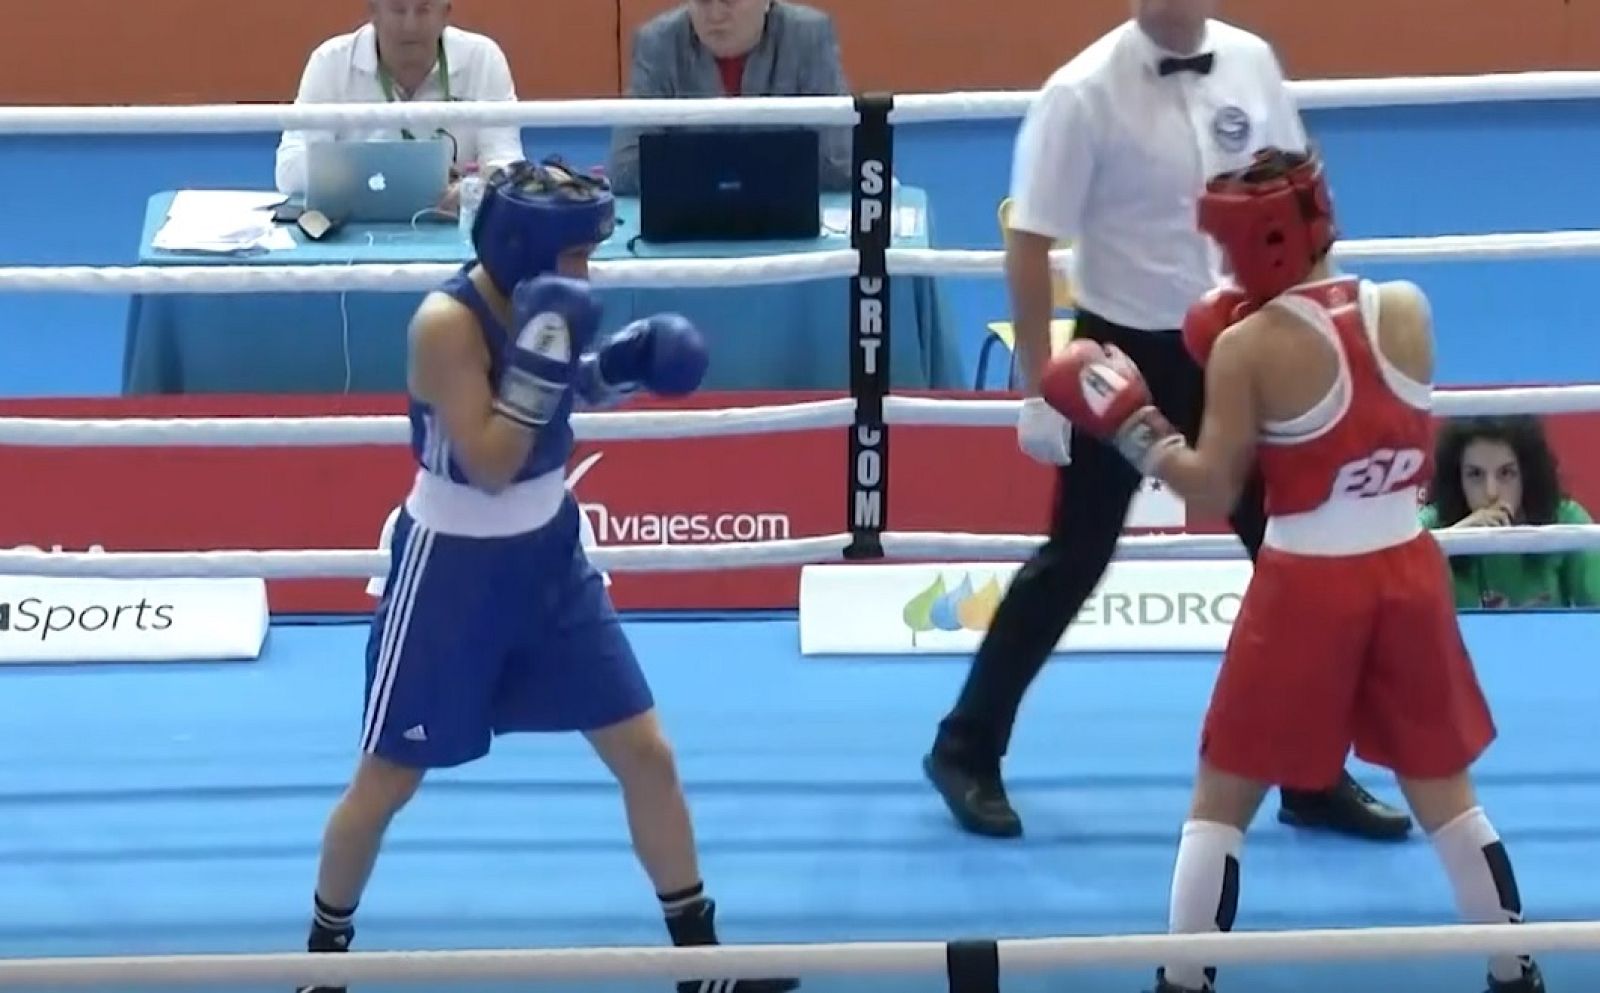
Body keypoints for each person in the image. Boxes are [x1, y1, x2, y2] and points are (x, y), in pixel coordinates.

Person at [1041, 146, 1545, 993]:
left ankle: (1183, 981)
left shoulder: (1249, 347)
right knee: (1448, 798)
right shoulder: (1409, 311)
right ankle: (1515, 969)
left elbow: (1211, 481)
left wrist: (1136, 426)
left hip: (1307, 585)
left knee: (1222, 799)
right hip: (1407, 575)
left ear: (1253, 241)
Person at [295, 158, 798, 993]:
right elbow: (492, 458)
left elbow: (567, 391)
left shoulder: (544, 306)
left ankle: (701, 968)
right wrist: (546, 364)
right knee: (385, 780)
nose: (588, 272)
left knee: (647, 753)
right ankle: (318, 969)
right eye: (576, 255)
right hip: (450, 571)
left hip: (550, 558)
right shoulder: (444, 325)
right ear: (524, 246)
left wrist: (628, 365)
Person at [923, 0, 1410, 843]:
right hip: (1125, 349)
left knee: (1294, 555)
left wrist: (1326, 329)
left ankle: (1310, 767)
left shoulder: (1253, 60)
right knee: (1077, 554)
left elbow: (1304, 207)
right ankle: (965, 746)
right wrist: (1041, 384)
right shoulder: (1079, 92)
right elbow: (1030, 241)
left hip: (1248, 338)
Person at [275, 0, 525, 205]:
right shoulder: (329, 62)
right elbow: (289, 171)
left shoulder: (483, 59)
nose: (410, 25)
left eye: (424, 9)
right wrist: (371, 174)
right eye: (397, 9)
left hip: (456, 225)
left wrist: (476, 188)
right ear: (373, 11)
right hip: (354, 227)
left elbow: (508, 163)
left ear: (446, 13)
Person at [606, 0, 851, 195]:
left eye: (729, 1)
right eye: (703, 1)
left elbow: (841, 162)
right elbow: (625, 168)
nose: (715, 15)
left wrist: (712, 173)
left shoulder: (809, 35)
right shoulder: (657, 42)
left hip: (784, 226)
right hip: (692, 226)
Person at [1422, 414, 1600, 608]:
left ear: (1527, 474)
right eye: (1475, 474)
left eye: (1506, 473)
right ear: (1457, 479)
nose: (1491, 492)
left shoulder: (1566, 521)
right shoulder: (1430, 529)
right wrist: (1448, 545)